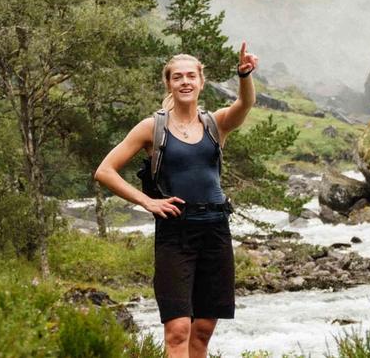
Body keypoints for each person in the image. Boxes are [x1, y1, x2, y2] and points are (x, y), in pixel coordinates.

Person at [94, 43, 258, 358]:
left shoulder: (215, 123)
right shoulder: (152, 128)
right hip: (175, 235)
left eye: (190, 76)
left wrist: (244, 74)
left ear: (201, 82)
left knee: (203, 331)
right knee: (178, 330)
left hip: (215, 231)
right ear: (169, 83)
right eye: (177, 77)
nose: (185, 82)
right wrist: (147, 202)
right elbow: (105, 171)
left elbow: (245, 103)